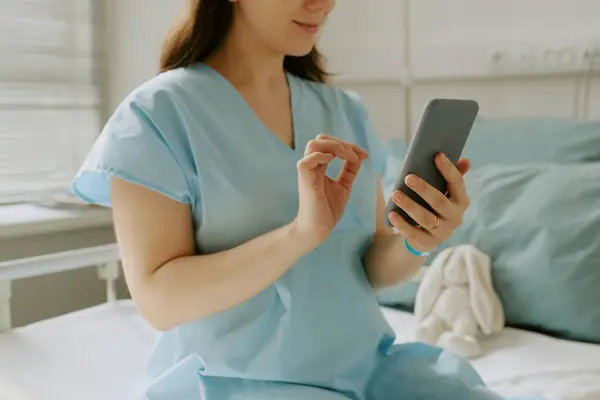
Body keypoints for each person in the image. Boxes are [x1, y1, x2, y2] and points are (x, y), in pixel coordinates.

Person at [71, 1, 543, 399]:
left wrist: (421, 240)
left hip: (369, 374)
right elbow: (158, 300)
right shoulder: (157, 114)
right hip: (241, 383)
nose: (323, 2)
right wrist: (300, 235)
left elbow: (370, 267)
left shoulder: (343, 111)